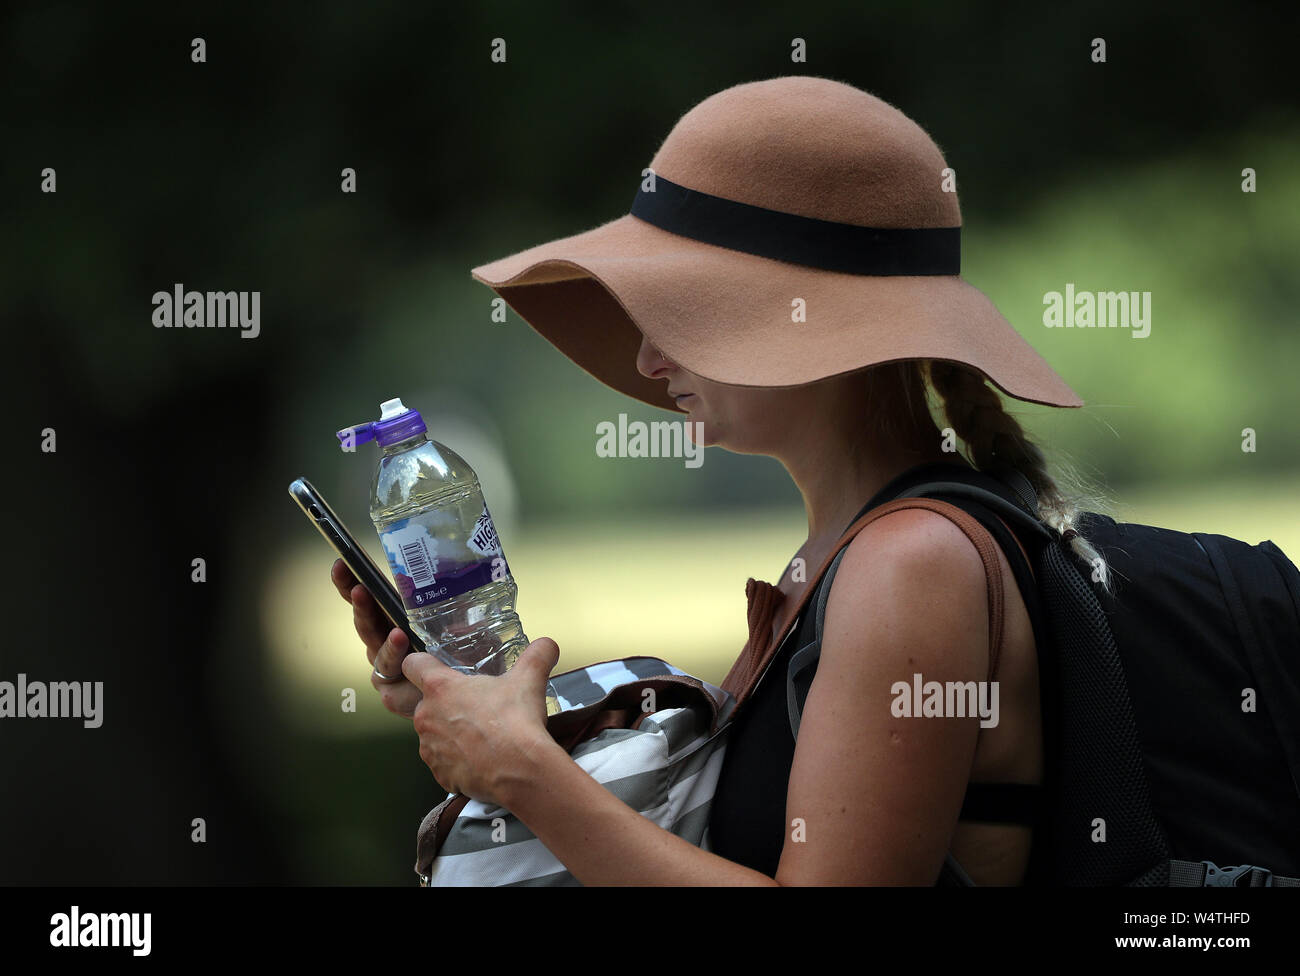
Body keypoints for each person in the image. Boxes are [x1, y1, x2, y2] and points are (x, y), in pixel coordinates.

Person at [330, 76, 1110, 884]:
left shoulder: (909, 564)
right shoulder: (857, 549)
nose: (646, 358)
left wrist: (523, 772)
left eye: (686, 307)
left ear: (804, 317)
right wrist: (478, 701)